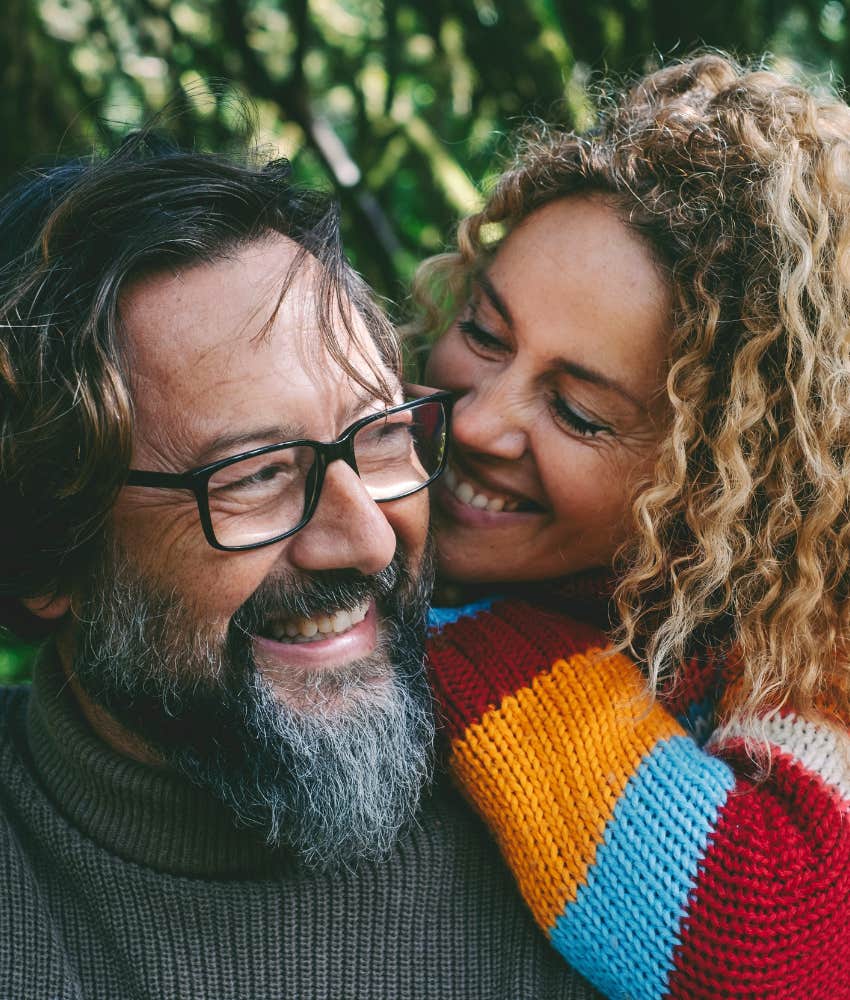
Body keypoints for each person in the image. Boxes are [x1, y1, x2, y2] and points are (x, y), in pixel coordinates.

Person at [0, 137, 600, 998]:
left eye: (382, 434)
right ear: (44, 557)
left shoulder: (586, 832)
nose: (369, 540)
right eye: (255, 475)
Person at [414, 54, 850, 999]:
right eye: (486, 334)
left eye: (575, 412)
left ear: (712, 485)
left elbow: (775, 949)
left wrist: (457, 638)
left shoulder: (806, 643)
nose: (479, 421)